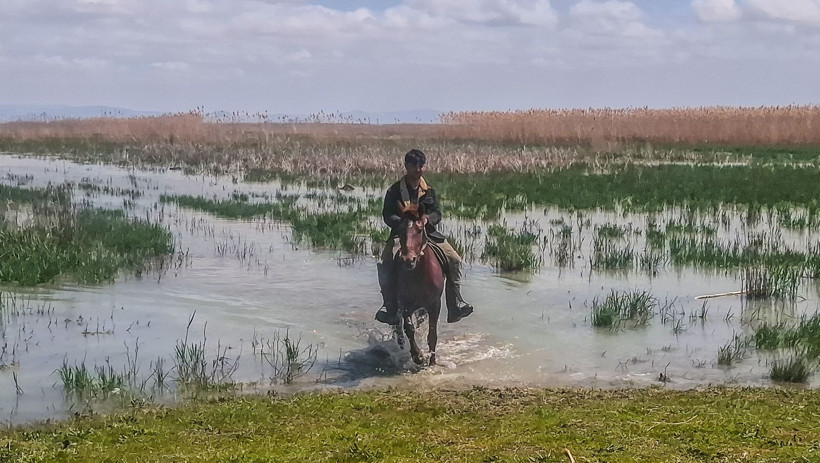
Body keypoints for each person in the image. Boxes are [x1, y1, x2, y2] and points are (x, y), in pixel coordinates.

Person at [375, 149, 474, 326]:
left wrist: (428, 219)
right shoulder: (394, 190)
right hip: (402, 235)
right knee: (384, 263)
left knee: (455, 260)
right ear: (406, 166)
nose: (418, 169)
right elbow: (387, 214)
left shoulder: (428, 191)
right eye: (414, 166)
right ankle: (388, 307)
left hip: (428, 234)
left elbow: (437, 212)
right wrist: (404, 223)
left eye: (421, 165)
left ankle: (455, 304)